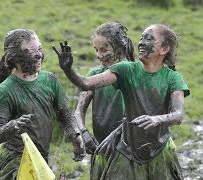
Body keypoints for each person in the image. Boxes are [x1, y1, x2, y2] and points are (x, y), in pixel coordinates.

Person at [53, 24, 190, 179]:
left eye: (149, 38)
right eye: (142, 37)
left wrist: (154, 120)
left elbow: (175, 115)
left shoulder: (169, 78)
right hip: (117, 149)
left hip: (154, 148)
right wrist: (68, 69)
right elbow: (85, 84)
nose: (142, 42)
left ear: (164, 49)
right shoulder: (123, 70)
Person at [0, 28, 86, 179]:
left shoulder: (50, 80)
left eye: (39, 49)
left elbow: (64, 115)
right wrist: (12, 126)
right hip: (15, 162)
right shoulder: (6, 90)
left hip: (40, 159)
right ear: (15, 57)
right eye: (29, 52)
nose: (38, 55)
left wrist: (75, 135)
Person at [73, 22, 135, 178]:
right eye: (96, 50)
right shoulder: (94, 74)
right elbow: (78, 110)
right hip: (102, 148)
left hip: (129, 151)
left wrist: (117, 134)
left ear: (120, 48)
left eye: (104, 49)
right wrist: (84, 132)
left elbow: (141, 114)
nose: (99, 55)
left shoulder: (134, 73)